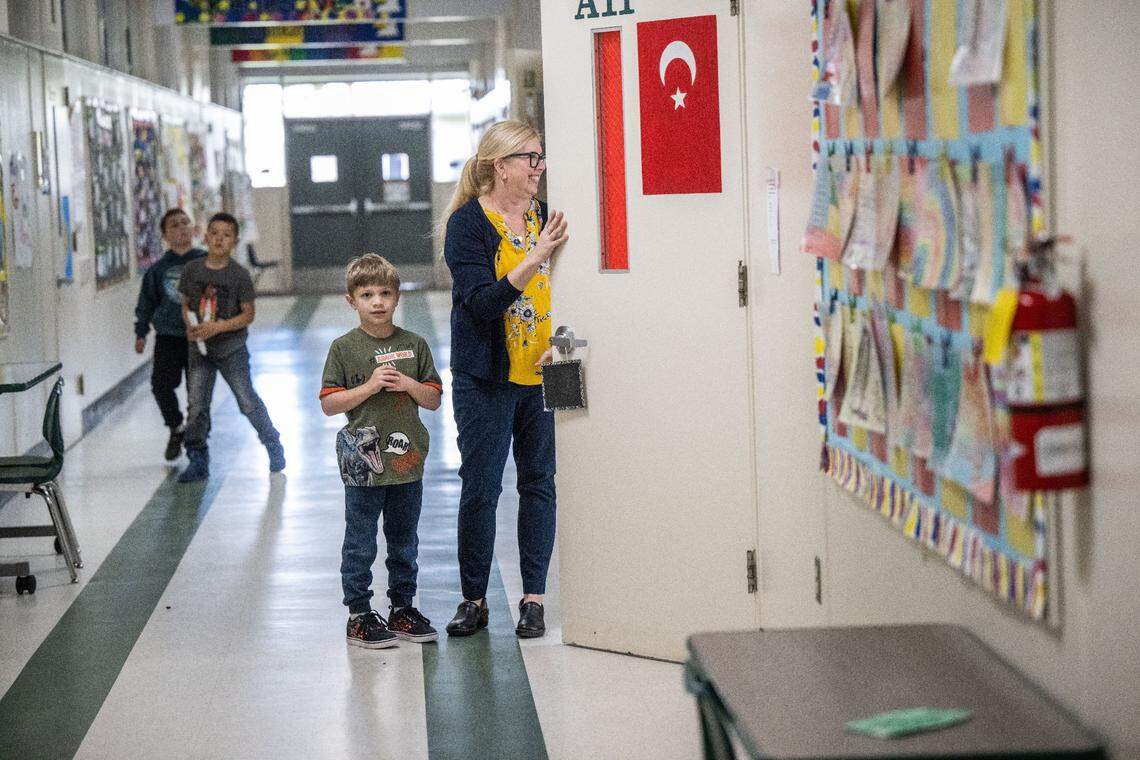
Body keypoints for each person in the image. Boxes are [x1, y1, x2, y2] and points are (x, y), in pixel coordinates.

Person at [441, 120, 570, 639]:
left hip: (546, 371)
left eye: (541, 158)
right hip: (486, 377)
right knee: (482, 486)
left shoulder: (545, 216)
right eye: (531, 158)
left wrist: (562, 340)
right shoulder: (467, 225)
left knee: (539, 481)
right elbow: (480, 303)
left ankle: (533, 598)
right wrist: (536, 256)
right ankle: (474, 599)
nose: (540, 168)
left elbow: (566, 290)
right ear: (501, 166)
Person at [320, 254, 444, 648]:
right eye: (367, 294)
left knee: (404, 538)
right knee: (360, 539)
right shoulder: (344, 348)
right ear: (351, 301)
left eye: (385, 293)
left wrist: (407, 384)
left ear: (397, 297)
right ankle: (359, 613)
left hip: (407, 461)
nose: (377, 302)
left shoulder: (414, 345)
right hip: (363, 463)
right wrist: (370, 386)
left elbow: (434, 400)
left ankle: (402, 607)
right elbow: (329, 403)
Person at [176, 212, 285, 483]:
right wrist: (191, 326)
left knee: (246, 400)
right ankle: (197, 456)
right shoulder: (193, 270)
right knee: (197, 404)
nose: (219, 239)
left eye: (226, 235)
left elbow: (248, 314)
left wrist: (218, 327)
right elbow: (186, 304)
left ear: (234, 241)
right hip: (199, 350)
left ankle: (271, 441)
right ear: (206, 236)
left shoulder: (239, 275)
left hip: (231, 349)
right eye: (214, 233)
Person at [133, 208, 205, 461]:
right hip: (168, 337)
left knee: (197, 393)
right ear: (165, 235)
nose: (181, 228)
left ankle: (198, 445)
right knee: (161, 385)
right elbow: (146, 304)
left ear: (193, 229)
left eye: (186, 222)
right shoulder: (158, 270)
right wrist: (141, 333)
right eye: (174, 225)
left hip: (200, 337)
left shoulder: (205, 261)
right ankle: (176, 427)